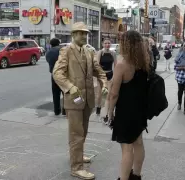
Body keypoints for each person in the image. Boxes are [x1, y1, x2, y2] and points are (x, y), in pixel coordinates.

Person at [53, 22, 107, 180]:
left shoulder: (89, 51)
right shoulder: (66, 51)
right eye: (80, 33)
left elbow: (99, 71)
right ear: (73, 35)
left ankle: (78, 155)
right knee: (76, 134)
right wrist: (69, 87)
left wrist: (104, 83)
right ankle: (76, 167)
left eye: (85, 33)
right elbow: (57, 73)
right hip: (74, 100)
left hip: (88, 100)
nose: (84, 36)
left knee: (82, 132)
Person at [108, 30, 150, 180]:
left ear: (126, 44)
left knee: (126, 148)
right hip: (140, 109)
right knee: (138, 142)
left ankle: (123, 178)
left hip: (125, 112)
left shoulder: (122, 64)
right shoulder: (144, 62)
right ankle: (136, 175)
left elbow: (114, 94)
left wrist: (109, 112)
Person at [95, 38, 116, 118]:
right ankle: (98, 107)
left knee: (109, 93)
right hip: (101, 75)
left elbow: (116, 65)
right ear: (102, 44)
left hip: (110, 75)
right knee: (99, 93)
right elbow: (97, 64)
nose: (107, 45)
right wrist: (101, 74)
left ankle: (107, 110)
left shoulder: (113, 53)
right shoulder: (100, 52)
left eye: (108, 43)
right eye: (105, 43)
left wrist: (114, 76)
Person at [46, 38, 66, 116]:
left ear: (51, 44)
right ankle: (64, 110)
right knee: (65, 93)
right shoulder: (61, 51)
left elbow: (48, 61)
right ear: (58, 43)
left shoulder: (48, 52)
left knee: (55, 94)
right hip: (63, 74)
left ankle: (56, 111)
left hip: (54, 75)